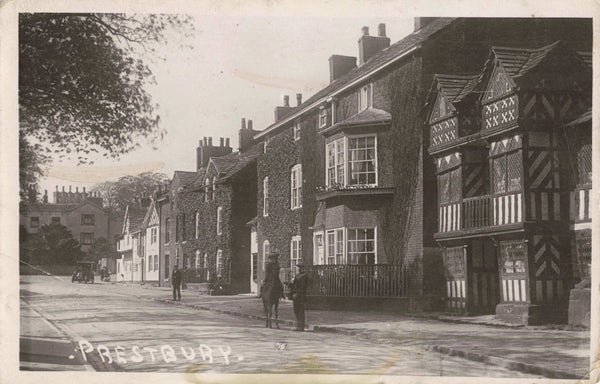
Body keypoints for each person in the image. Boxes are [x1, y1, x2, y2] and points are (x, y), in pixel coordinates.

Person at [289, 263, 308, 331]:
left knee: (300, 311)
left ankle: (301, 326)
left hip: (300, 296)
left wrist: (297, 293)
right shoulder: (298, 275)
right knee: (296, 310)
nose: (298, 269)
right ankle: (298, 325)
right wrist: (289, 284)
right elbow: (294, 285)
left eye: (299, 267)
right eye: (298, 267)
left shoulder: (304, 276)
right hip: (295, 296)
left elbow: (303, 287)